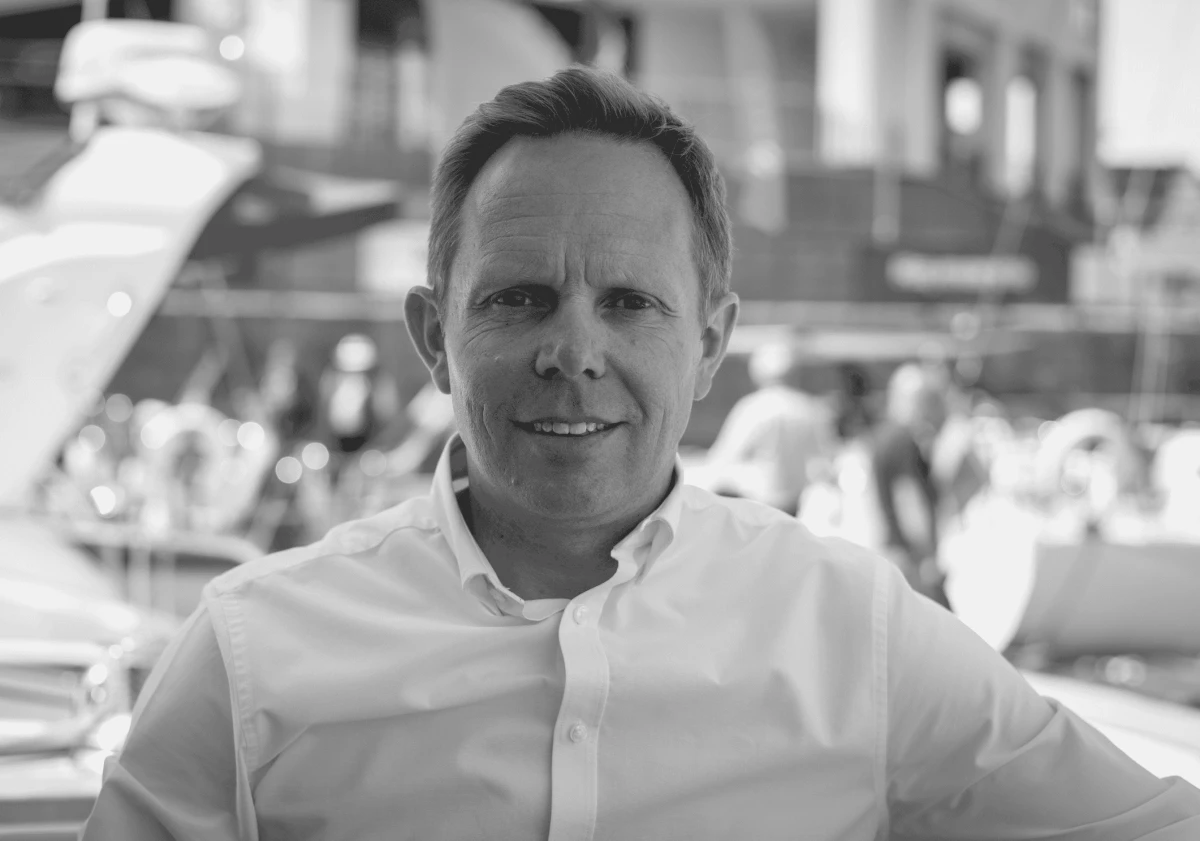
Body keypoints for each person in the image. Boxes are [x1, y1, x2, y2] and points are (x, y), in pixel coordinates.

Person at [82, 67, 1200, 840]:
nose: (575, 351)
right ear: (433, 339)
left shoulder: (850, 629)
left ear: (709, 343)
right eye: (520, 298)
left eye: (630, 302)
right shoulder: (249, 654)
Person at [705, 337, 837, 514]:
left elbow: (723, 458)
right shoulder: (808, 409)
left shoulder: (752, 408)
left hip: (757, 506)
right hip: (793, 507)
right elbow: (826, 461)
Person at [869, 363, 952, 609]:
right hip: (908, 556)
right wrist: (926, 556)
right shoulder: (903, 441)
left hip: (893, 549)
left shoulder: (884, 435)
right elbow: (908, 498)